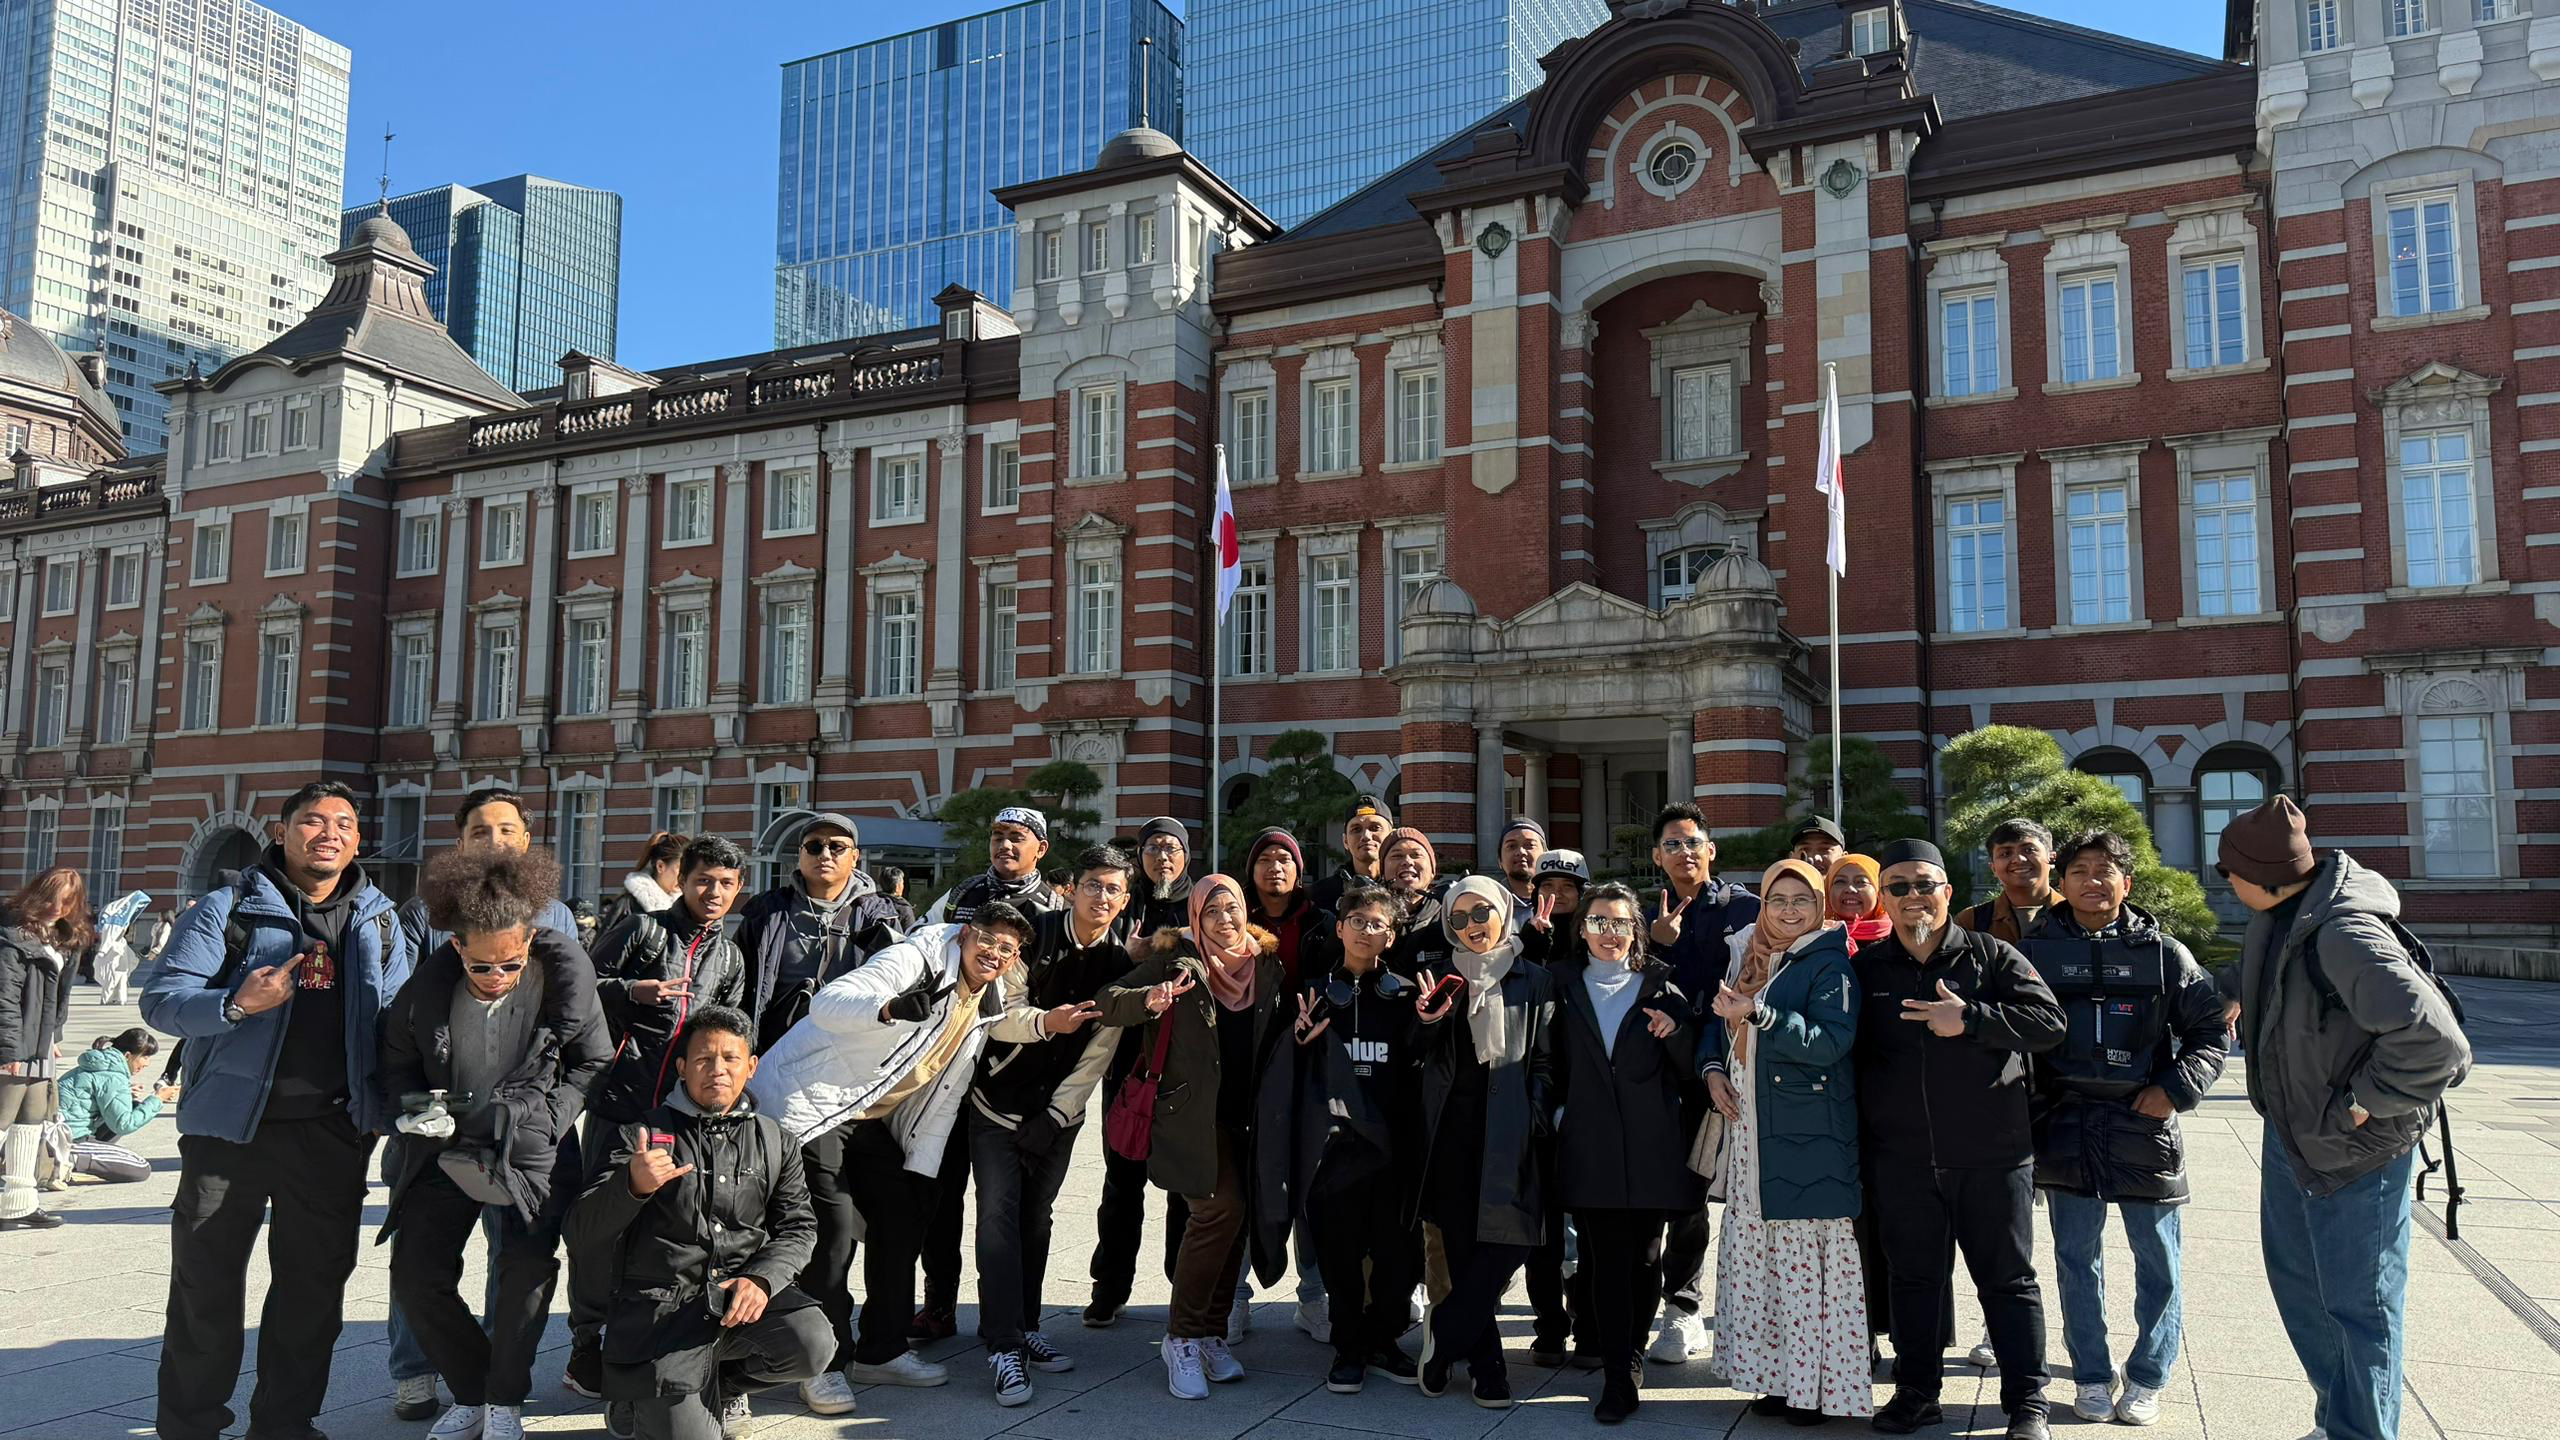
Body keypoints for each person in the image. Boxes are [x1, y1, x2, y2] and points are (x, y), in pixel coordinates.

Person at [141, 781, 414, 1440]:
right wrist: (235, 1004)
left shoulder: (379, 920)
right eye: (313, 821)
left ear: (358, 840)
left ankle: (285, 1425)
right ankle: (190, 1425)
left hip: (331, 1131)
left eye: (344, 823)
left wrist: (392, 1103)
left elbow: (396, 1021)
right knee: (205, 1288)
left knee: (312, 1294)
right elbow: (162, 999)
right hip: (228, 1131)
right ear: (282, 832)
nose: (329, 833)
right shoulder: (228, 907)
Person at [2215, 797, 2468, 1440]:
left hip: (2357, 1148)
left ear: (2261, 876)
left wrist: (2359, 1106)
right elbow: (2269, 978)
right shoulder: (2283, 914)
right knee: (2301, 1288)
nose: (2226, 881)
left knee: (2360, 1307)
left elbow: (2438, 1046)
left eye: (2229, 871)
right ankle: (2339, 1421)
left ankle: (2363, 1431)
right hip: (2294, 1132)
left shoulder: (2346, 933)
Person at [747, 902, 1049, 1395]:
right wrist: (886, 1009)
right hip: (814, 1101)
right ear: (964, 934)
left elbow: (955, 1080)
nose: (994, 953)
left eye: (1007, 949)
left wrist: (922, 1164)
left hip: (866, 1115)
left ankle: (881, 1351)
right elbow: (829, 1002)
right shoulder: (915, 958)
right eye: (987, 939)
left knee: (903, 1216)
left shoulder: (985, 1000)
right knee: (833, 1229)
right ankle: (824, 1363)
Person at [380, 846, 612, 1440]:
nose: (497, 978)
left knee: (525, 1272)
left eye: (510, 963)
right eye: (482, 966)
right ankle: (475, 1389)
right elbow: (396, 1062)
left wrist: (550, 1119)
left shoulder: (563, 981)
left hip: (533, 1145)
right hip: (447, 1145)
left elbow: (593, 1062)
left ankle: (505, 1400)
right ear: (457, 947)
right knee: (416, 1273)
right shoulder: (427, 988)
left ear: (529, 938)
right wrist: (417, 1110)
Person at [1853, 838, 2065, 1440]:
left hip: (1992, 1154)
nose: (1913, 896)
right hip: (1902, 1159)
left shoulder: (1990, 956)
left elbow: (2050, 1025)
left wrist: (1971, 1019)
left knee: (2008, 1281)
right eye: (1898, 887)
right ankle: (1917, 1393)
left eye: (1925, 884)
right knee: (1913, 1279)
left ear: (1947, 891)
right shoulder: (1867, 969)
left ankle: (2027, 1403)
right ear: (1884, 899)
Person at [2022, 829, 2228, 1427]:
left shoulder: (2164, 953)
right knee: (2074, 1259)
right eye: (2080, 871)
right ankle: (2090, 1373)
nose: (2093, 881)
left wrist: (2175, 1090)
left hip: (2144, 1120)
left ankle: (2148, 1376)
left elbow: (2209, 1031)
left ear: (2127, 882)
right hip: (2065, 1119)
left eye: (2105, 870)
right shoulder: (2033, 952)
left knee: (2158, 1260)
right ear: (2061, 883)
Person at [568, 1007, 830, 1440]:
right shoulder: (640, 1136)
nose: (717, 1070)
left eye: (730, 1058)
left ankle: (720, 1388)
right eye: (704, 1059)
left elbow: (799, 1227)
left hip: (736, 1301)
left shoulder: (776, 1140)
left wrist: (762, 1279)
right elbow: (580, 1231)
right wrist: (630, 1186)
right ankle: (636, 1399)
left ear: (751, 1067)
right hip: (664, 1312)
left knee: (812, 1343)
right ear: (682, 1068)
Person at [728, 813, 907, 1418]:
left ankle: (884, 1345)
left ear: (856, 856)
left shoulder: (884, 915)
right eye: (814, 846)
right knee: (826, 1222)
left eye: (838, 846)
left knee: (893, 1212)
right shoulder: (766, 913)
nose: (825, 855)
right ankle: (824, 1361)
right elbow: (741, 994)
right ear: (798, 856)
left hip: (868, 1085)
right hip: (793, 1088)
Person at [567, 835, 749, 1399]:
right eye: (703, 880)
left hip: (679, 1113)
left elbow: (726, 1031)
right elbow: (577, 987)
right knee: (600, 1223)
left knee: (667, 1226)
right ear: (682, 881)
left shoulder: (730, 956)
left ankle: (647, 1334)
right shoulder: (643, 928)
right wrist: (632, 990)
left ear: (738, 889)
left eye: (725, 883)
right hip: (619, 1103)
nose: (713, 891)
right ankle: (585, 1342)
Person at [1095, 875, 1287, 1401]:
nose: (1224, 920)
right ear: (1196, 919)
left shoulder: (1266, 965)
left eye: (1232, 908)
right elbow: (1108, 1001)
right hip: (1192, 1117)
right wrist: (1150, 1000)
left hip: (1251, 1116)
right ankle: (1181, 1337)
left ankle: (1209, 1334)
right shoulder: (1177, 962)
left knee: (1238, 1219)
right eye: (1211, 912)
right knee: (1218, 1211)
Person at [1702, 860, 1872, 1425]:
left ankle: (1815, 1390)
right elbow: (1716, 1023)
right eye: (1778, 899)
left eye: (1803, 899)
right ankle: (1772, 1380)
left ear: (1820, 905)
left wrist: (1762, 1013)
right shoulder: (1748, 953)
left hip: (1806, 1133)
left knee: (1804, 1262)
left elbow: (1830, 1043)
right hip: (1751, 1130)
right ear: (1764, 905)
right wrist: (1712, 1069)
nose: (1790, 910)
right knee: (1762, 1261)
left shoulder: (1829, 963)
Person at [965, 846, 1132, 1405]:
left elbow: (1100, 1051)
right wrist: (1046, 1023)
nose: (1101, 896)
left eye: (1113, 889)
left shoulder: (1118, 964)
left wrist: (1058, 1115)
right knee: (998, 1219)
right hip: (996, 1102)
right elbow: (996, 1015)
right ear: (1072, 888)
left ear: (1124, 900)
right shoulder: (1031, 933)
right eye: (1093, 885)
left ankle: (1027, 1325)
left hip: (1058, 1116)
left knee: (1036, 1220)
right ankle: (1003, 1346)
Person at [1550, 881, 1697, 1424]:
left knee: (1646, 1257)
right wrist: (1560, 1115)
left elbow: (1689, 1067)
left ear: (1636, 930)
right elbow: (1545, 1059)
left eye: (1619, 923)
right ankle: (1617, 1374)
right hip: (1589, 1141)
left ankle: (1632, 1352)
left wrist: (1674, 1031)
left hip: (1652, 1142)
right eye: (1598, 922)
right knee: (1606, 1259)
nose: (1609, 933)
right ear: (1582, 929)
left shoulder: (1661, 986)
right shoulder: (1560, 984)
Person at [917, 805, 1064, 1342]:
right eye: (998, 835)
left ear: (1040, 849)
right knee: (941, 1193)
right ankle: (939, 1304)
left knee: (1014, 1208)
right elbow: (920, 947)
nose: (1005, 845)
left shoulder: (1054, 909)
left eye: (1017, 837)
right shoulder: (961, 897)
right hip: (951, 1067)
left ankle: (1015, 1318)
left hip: (1017, 1077)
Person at [1410, 875, 1556, 1411]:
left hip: (1511, 1132)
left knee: (1513, 1242)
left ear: (1502, 914)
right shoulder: (1441, 977)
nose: (1472, 926)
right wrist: (1427, 1022)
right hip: (1450, 1134)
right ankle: (1487, 1366)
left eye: (1481, 913)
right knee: (1465, 1252)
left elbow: (1546, 1060)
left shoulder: (1534, 979)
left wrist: (1533, 1116)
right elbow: (1415, 1056)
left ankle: (1446, 1330)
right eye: (1459, 917)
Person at [1292, 883, 1424, 1395]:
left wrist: (1430, 1025)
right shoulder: (1313, 992)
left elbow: (1424, 1063)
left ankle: (1383, 1340)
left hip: (1395, 1149)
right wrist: (1299, 1041)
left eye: (1378, 924)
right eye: (1358, 921)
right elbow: (1293, 1067)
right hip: (1335, 1151)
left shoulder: (1409, 994)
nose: (1367, 931)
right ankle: (1348, 1348)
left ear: (1392, 935)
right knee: (1339, 1257)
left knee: (1398, 1257)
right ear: (1341, 927)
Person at [1641, 801, 1759, 1364]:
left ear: (1711, 849)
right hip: (1652, 1071)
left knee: (1695, 1193)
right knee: (1654, 1191)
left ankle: (1684, 1309)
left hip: (1720, 1070)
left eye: (1692, 842)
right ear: (1656, 856)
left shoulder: (1745, 909)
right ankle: (1645, 1304)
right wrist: (1656, 941)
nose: (1683, 852)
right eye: (1672, 844)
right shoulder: (1642, 915)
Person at [1087, 816, 1193, 1326]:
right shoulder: (1123, 904)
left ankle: (1182, 1289)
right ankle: (1109, 1287)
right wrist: (1122, 957)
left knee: (1183, 1186)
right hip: (1129, 1063)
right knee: (1121, 1180)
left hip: (1184, 1065)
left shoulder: (1201, 903)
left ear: (1187, 855)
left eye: (1171, 847)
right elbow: (1095, 979)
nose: (1162, 857)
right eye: (1153, 848)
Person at [1239, 825, 1335, 1345]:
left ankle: (1313, 1297)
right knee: (1243, 1182)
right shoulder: (1234, 918)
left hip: (1308, 1059)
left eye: (1284, 859)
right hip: (1246, 1065)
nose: (1274, 867)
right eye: (1264, 859)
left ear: (1299, 869)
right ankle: (1234, 1298)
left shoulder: (1322, 921)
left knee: (1309, 1180)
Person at [1519, 847, 1591, 1367]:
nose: (1558, 895)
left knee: (1587, 1220)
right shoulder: (1521, 941)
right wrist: (1529, 946)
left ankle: (1587, 1320)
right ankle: (1548, 1323)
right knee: (1541, 1224)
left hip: (1587, 1099)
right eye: (1548, 886)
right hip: (1535, 1099)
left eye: (1568, 887)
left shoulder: (1599, 943)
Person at [0, 866, 88, 1229]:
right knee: (3, 1115)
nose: (57, 907)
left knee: (32, 1117)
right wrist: (9, 1050)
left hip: (40, 1039)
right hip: (14, 1037)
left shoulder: (65, 937)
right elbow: (4, 994)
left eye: (67, 902)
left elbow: (60, 996)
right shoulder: (12, 933)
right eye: (52, 899)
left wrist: (54, 1036)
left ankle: (18, 1202)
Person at [57, 1028, 177, 1183]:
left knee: (132, 1106)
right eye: (145, 1057)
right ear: (127, 1056)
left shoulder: (96, 1065)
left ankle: (77, 1155)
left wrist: (125, 1094)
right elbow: (124, 1124)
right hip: (70, 1140)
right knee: (140, 1167)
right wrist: (157, 1099)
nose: (147, 1063)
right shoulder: (113, 1077)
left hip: (58, 1133)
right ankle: (72, 1158)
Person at [1955, 818, 2060, 947]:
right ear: (1993, 868)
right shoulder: (1971, 921)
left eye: (2029, 850)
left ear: (2052, 859)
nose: (2018, 859)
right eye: (2006, 853)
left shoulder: (2077, 914)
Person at [1378, 828, 1448, 978]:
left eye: (1416, 855)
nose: (1407, 862)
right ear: (1383, 870)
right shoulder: (1369, 917)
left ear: (1432, 871)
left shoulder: (1449, 915)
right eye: (1397, 856)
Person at [1310, 796, 1395, 916]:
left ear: (1392, 836)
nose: (1366, 836)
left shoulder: (1404, 888)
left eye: (1375, 828)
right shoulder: (1320, 894)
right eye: (1356, 829)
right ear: (1345, 841)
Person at [604, 831, 689, 931]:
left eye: (689, 870)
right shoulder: (628, 905)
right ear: (660, 866)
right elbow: (604, 940)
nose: (685, 877)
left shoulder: (686, 907)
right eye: (680, 869)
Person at [1826, 854, 1891, 954]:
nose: (1850, 889)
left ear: (1879, 891)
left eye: (1861, 881)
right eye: (1840, 881)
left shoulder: (1900, 936)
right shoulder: (1815, 938)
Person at [1497, 817, 1546, 904]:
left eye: (1529, 845)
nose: (1520, 852)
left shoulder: (1561, 900)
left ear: (1545, 855)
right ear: (1500, 860)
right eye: (1511, 846)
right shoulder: (1489, 901)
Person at [876, 867, 919, 933]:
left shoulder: (872, 903)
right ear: (897, 887)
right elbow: (910, 934)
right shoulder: (904, 909)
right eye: (902, 883)